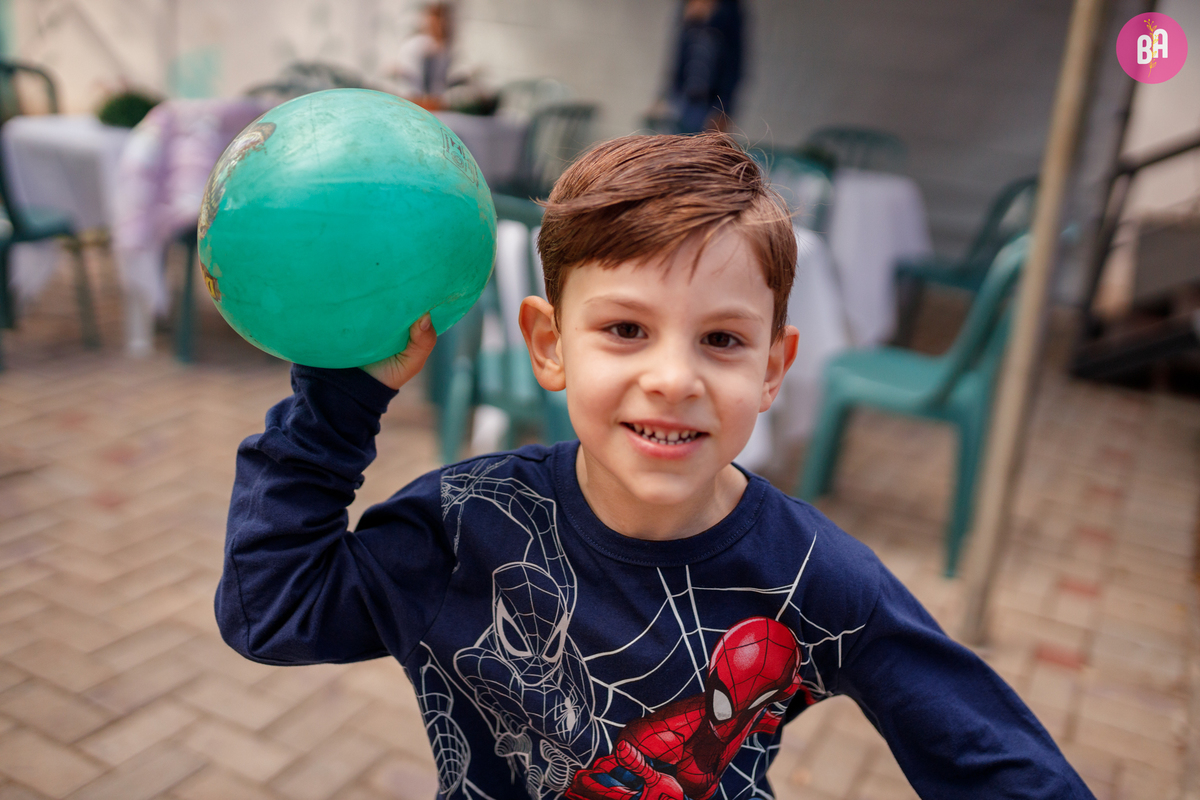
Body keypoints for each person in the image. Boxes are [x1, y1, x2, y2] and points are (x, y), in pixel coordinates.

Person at [216, 133, 1095, 800]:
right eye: (625, 330)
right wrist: (338, 403)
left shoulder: (815, 579)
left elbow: (999, 763)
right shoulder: (466, 530)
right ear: (549, 346)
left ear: (773, 370)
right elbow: (271, 609)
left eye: (722, 340)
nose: (673, 379)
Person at [658, 0, 745, 133]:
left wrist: (723, 110)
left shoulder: (729, 12)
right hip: (682, 99)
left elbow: (733, 67)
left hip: (710, 103)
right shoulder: (689, 12)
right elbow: (678, 58)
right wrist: (664, 97)